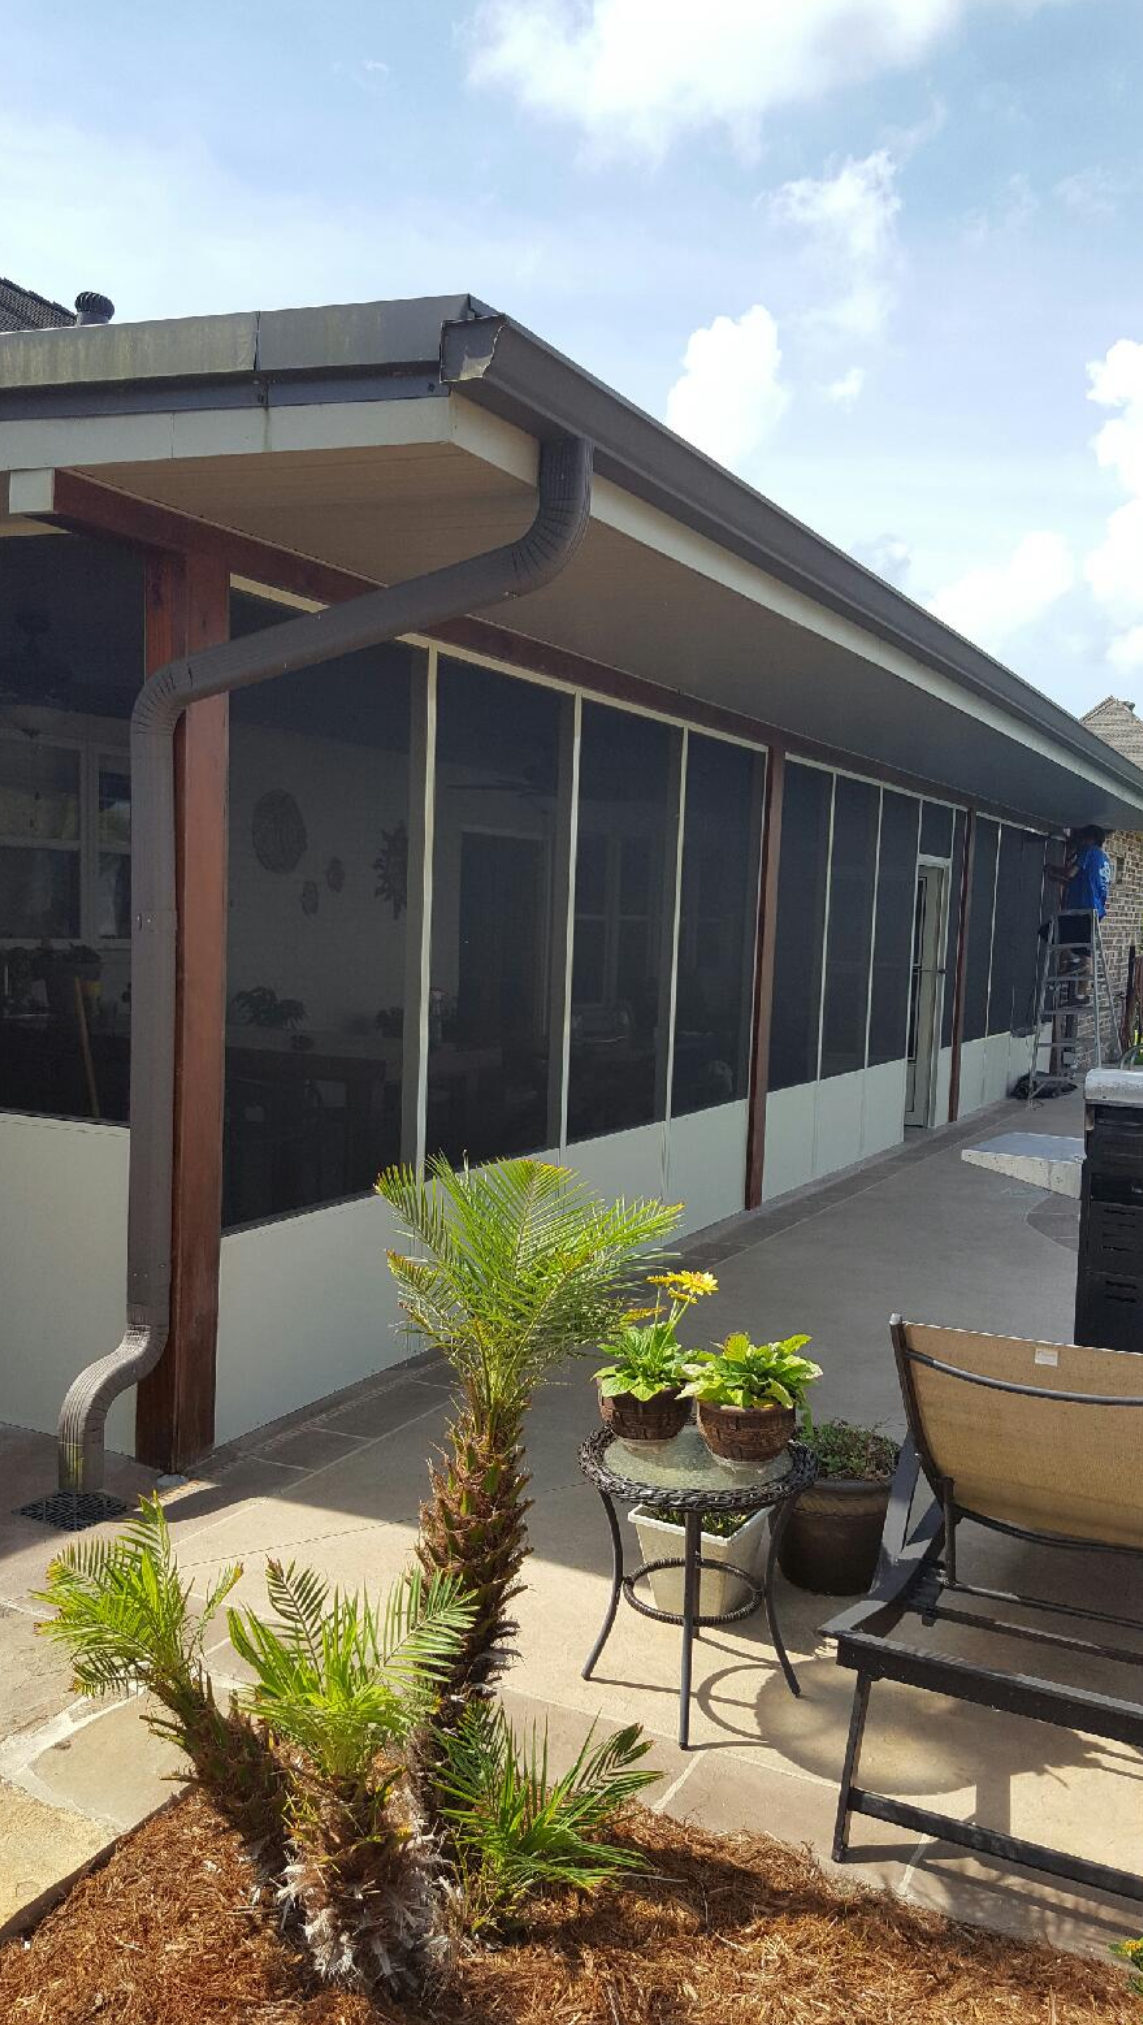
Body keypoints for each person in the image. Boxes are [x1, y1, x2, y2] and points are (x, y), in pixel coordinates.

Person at [1043, 825, 1112, 1002]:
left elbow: (1070, 873)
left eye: (1082, 839)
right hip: (1094, 913)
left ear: (1090, 839)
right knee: (1084, 952)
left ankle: (1072, 960)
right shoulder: (1105, 860)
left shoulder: (1088, 851)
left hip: (1081, 909)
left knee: (1048, 931)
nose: (1079, 842)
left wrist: (1052, 868)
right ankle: (1081, 996)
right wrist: (1055, 878)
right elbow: (1079, 883)